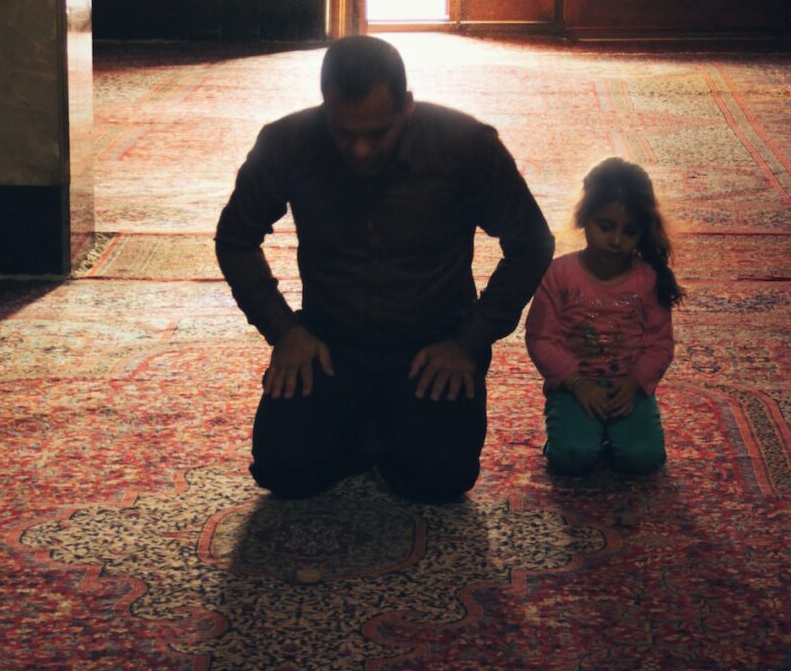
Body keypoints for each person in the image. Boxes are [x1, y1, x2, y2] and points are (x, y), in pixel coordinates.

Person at [215, 35, 554, 503]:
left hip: (433, 345)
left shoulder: (466, 145)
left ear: (407, 107)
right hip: (331, 344)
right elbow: (235, 239)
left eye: (376, 134)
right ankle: (369, 423)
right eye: (344, 133)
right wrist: (286, 332)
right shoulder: (287, 142)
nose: (359, 149)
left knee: (439, 481)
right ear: (325, 107)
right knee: (285, 472)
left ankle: (378, 426)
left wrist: (467, 342)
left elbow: (532, 243)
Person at [524, 157, 684, 476]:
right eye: (606, 226)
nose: (615, 240)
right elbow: (541, 338)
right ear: (584, 219)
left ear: (643, 232)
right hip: (574, 387)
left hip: (628, 388)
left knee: (644, 459)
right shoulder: (559, 274)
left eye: (629, 231)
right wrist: (576, 382)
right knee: (570, 458)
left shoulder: (648, 279)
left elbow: (659, 344)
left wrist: (635, 383)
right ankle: (582, 435)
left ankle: (611, 438)